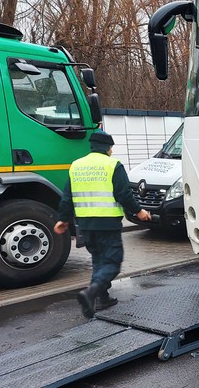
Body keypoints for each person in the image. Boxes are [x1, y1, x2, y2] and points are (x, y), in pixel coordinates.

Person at [55, 130, 151, 318]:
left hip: (85, 224)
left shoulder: (76, 165)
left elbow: (67, 197)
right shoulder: (112, 165)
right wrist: (139, 211)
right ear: (108, 148)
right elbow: (124, 194)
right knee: (112, 263)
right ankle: (91, 293)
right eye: (111, 148)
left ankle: (101, 298)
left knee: (99, 261)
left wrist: (62, 219)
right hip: (107, 222)